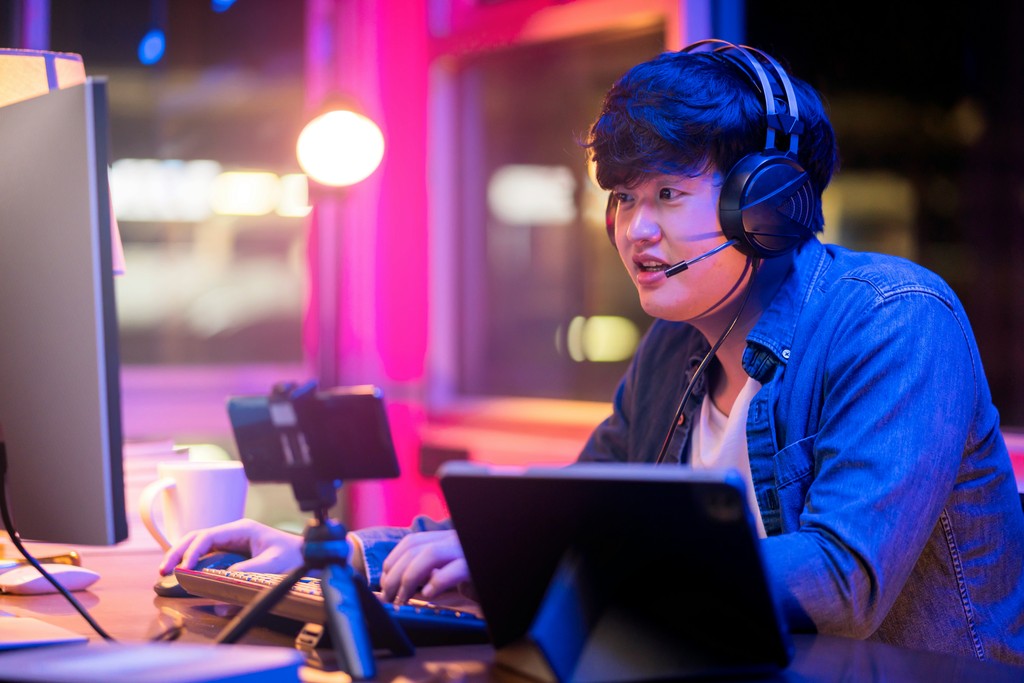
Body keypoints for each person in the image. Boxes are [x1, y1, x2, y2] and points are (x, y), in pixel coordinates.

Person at [160, 39, 1024, 665]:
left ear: (769, 202)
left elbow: (843, 582)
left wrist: (586, 564)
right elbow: (558, 528)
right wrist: (335, 555)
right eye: (620, 197)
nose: (634, 229)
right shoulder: (671, 351)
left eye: (668, 193)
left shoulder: (896, 320)